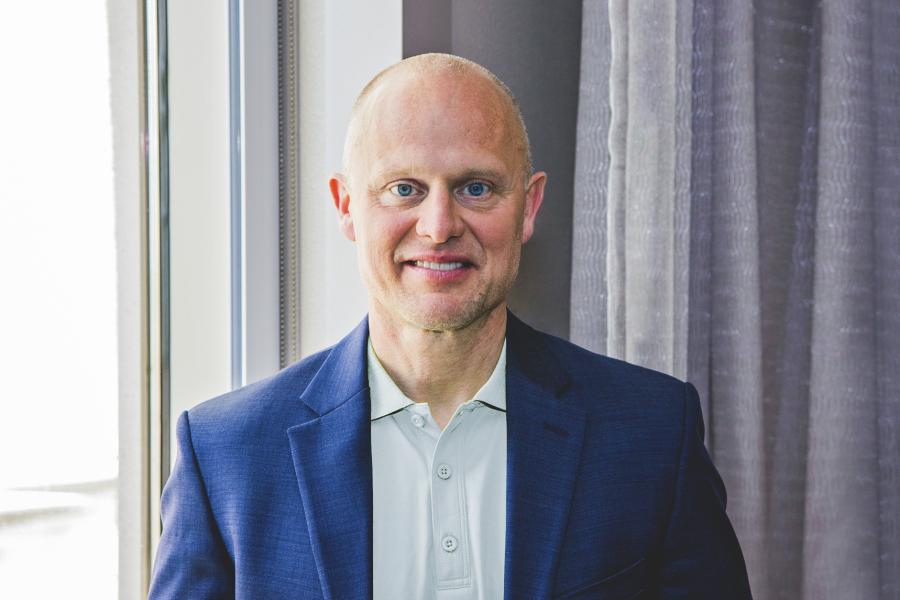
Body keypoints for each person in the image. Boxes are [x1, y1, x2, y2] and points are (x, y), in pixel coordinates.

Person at [148, 53, 752, 599]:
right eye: (403, 189)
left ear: (528, 207)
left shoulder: (653, 434)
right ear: (347, 207)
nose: (439, 226)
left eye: (476, 188)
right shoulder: (225, 456)